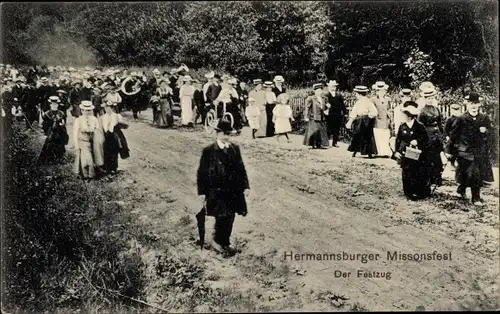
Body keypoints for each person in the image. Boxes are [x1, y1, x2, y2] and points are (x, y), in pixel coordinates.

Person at [196, 117, 250, 256]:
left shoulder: (234, 149)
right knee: (221, 215)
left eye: (228, 134)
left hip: (233, 190)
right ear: (217, 134)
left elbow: (241, 168)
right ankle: (218, 241)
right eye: (223, 134)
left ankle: (225, 241)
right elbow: (202, 171)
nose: (226, 137)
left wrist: (245, 186)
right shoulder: (209, 151)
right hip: (216, 190)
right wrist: (202, 191)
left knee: (230, 215)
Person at [448, 92, 494, 206]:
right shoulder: (461, 118)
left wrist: (486, 131)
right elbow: (453, 135)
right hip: (465, 151)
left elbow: (492, 133)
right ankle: (475, 197)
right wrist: (450, 152)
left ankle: (467, 191)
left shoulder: (484, 117)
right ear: (467, 104)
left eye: (476, 103)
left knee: (475, 173)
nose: (474, 106)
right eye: (471, 103)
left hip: (480, 151)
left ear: (479, 104)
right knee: (471, 172)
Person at [393, 101, 430, 200]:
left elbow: (425, 140)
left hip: (417, 154)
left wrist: (417, 141)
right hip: (405, 153)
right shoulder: (402, 126)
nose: (403, 116)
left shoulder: (420, 126)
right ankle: (408, 192)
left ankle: (418, 191)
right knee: (406, 172)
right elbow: (398, 140)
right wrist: (396, 151)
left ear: (410, 116)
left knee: (417, 172)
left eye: (405, 115)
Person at [417, 84, 445, 187]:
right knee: (428, 158)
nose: (430, 100)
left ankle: (437, 179)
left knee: (437, 158)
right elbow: (420, 126)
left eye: (432, 98)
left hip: (436, 136)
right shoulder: (422, 111)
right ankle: (428, 179)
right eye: (428, 98)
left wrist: (442, 136)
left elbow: (440, 123)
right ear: (425, 99)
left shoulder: (436, 109)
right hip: (427, 137)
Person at [346, 85, 378, 158]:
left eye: (356, 94)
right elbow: (374, 112)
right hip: (366, 121)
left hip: (362, 121)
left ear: (360, 94)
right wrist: (369, 116)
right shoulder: (368, 101)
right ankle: (368, 152)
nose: (356, 95)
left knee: (358, 135)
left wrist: (351, 121)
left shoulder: (361, 102)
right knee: (367, 137)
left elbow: (354, 112)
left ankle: (356, 151)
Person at [73, 101, 101, 180]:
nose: (87, 112)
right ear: (82, 111)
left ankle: (89, 174)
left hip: (92, 141)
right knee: (86, 159)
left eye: (89, 110)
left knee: (93, 157)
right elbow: (75, 133)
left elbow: (97, 130)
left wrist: (93, 132)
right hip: (83, 141)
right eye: (85, 110)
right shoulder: (78, 120)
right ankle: (87, 175)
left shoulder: (94, 119)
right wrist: (76, 145)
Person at [101, 100, 129, 175]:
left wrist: (117, 125)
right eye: (105, 108)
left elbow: (125, 125)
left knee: (115, 151)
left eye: (108, 108)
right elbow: (103, 127)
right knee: (106, 151)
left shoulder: (117, 116)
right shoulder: (103, 117)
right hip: (106, 134)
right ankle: (107, 168)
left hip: (115, 135)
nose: (106, 109)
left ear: (112, 108)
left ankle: (114, 168)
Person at [38, 96, 69, 165]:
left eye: (56, 104)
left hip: (59, 132)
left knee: (60, 145)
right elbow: (44, 125)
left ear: (58, 105)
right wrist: (47, 129)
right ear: (50, 104)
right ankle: (49, 160)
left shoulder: (61, 113)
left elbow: (64, 122)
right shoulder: (47, 114)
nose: (55, 105)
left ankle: (59, 159)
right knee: (49, 145)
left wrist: (62, 125)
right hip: (51, 132)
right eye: (53, 104)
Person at [303, 83, 329, 149]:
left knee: (320, 131)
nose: (319, 92)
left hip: (321, 117)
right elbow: (307, 108)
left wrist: (327, 109)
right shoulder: (311, 98)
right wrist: (306, 116)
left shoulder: (324, 98)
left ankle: (319, 144)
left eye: (320, 91)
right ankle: (312, 144)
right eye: (317, 91)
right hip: (313, 117)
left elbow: (327, 106)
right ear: (314, 91)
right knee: (313, 130)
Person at [371, 81, 392, 157]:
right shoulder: (373, 100)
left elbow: (389, 109)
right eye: (379, 91)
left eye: (383, 91)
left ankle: (385, 152)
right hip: (377, 119)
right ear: (376, 91)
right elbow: (372, 109)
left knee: (385, 135)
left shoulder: (388, 99)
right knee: (378, 134)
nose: (381, 92)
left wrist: (389, 114)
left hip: (385, 119)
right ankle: (379, 152)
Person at [325, 80, 347, 147]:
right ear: (329, 87)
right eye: (331, 86)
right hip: (329, 114)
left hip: (337, 114)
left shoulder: (339, 95)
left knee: (336, 129)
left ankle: (335, 142)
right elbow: (324, 103)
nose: (333, 88)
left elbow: (342, 105)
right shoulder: (327, 94)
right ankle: (326, 142)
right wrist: (326, 106)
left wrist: (345, 112)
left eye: (334, 86)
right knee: (328, 128)